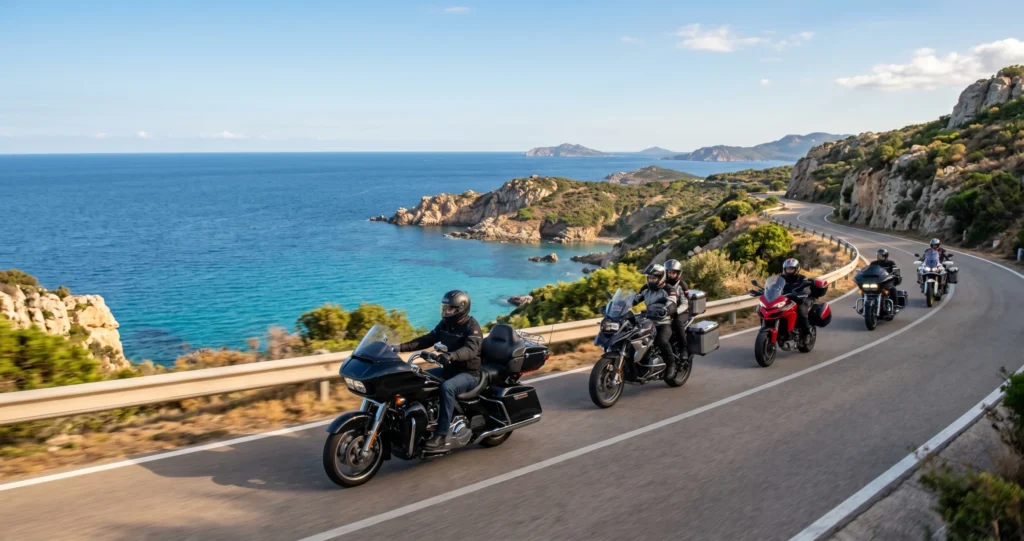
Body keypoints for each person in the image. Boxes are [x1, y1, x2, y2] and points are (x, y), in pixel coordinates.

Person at [397, 290, 482, 450]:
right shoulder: (445, 324)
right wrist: (400, 347)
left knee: (447, 388)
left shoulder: (472, 326)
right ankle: (420, 426)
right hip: (448, 370)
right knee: (419, 379)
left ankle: (442, 435)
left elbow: (471, 350)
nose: (446, 311)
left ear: (461, 308)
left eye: (450, 308)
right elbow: (427, 339)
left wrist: (451, 356)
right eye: (445, 307)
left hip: (469, 374)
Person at [633, 263, 680, 379]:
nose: (650, 280)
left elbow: (672, 302)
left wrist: (667, 310)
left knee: (661, 340)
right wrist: (620, 304)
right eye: (649, 278)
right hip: (648, 321)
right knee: (634, 337)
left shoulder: (668, 289)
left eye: (653, 278)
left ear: (661, 278)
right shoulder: (645, 289)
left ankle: (671, 364)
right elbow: (634, 299)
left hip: (663, 322)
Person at [663, 259, 690, 359]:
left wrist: (675, 312)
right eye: (669, 272)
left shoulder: (681, 285)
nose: (671, 275)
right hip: (667, 311)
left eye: (673, 273)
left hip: (681, 312)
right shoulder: (663, 284)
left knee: (677, 323)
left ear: (678, 273)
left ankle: (684, 348)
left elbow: (685, 303)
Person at [781, 258, 812, 333]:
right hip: (785, 300)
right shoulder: (781, 278)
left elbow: (806, 288)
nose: (789, 271)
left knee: (801, 311)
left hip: (799, 299)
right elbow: (774, 286)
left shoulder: (802, 278)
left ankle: (807, 331)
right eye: (787, 269)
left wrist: (803, 293)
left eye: (791, 269)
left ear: (796, 269)